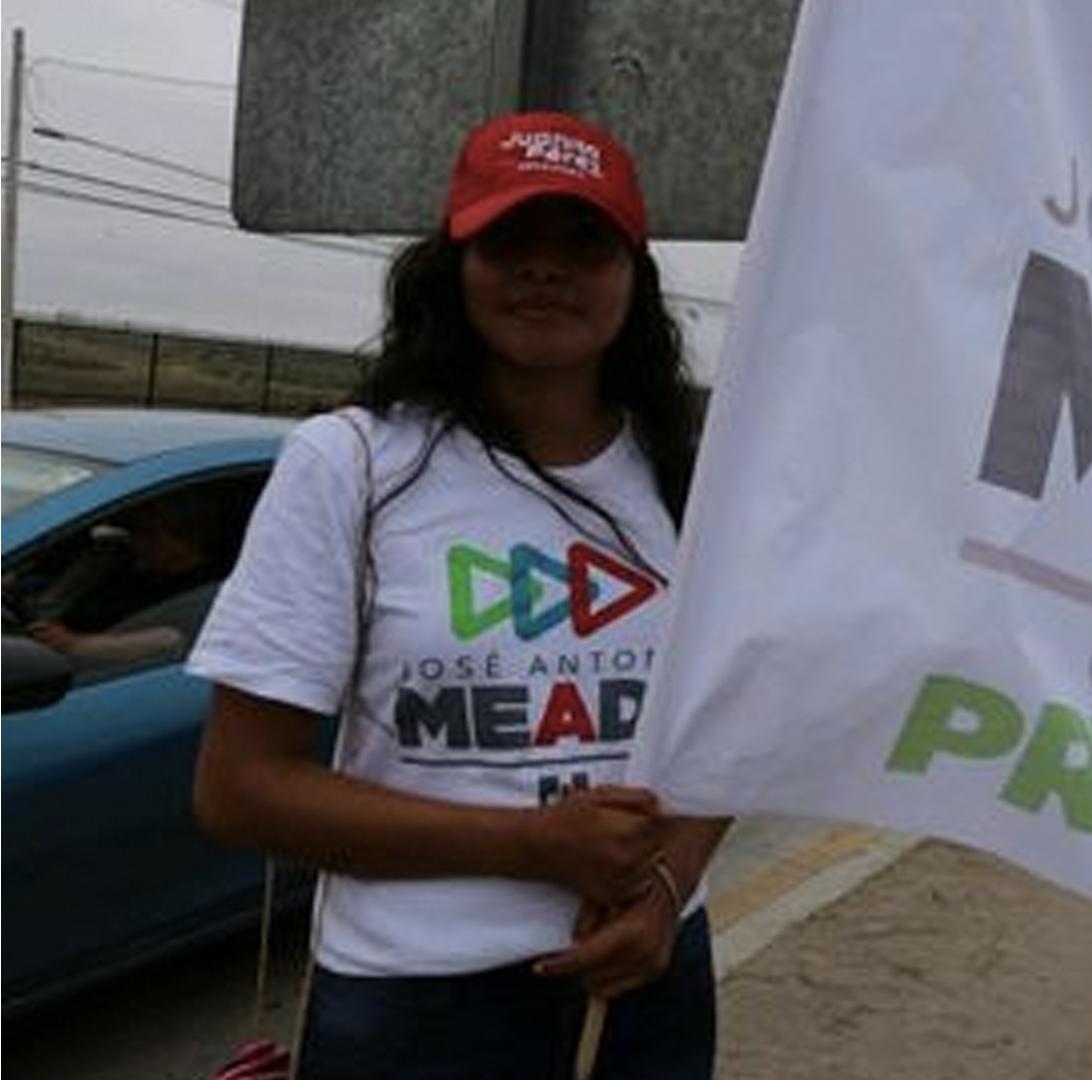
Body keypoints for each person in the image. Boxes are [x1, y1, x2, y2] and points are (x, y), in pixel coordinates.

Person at [190, 111, 728, 1080]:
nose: (545, 267)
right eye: (509, 237)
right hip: (419, 1011)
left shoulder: (687, 478)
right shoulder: (351, 465)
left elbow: (738, 726)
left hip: (652, 980)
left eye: (585, 242)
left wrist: (667, 886)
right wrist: (532, 845)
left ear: (634, 277)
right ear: (454, 263)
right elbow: (239, 789)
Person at [26, 497, 223, 665]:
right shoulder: (133, 570)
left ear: (183, 539)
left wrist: (74, 645)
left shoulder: (202, 590)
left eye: (148, 532)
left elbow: (170, 640)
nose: (136, 540)